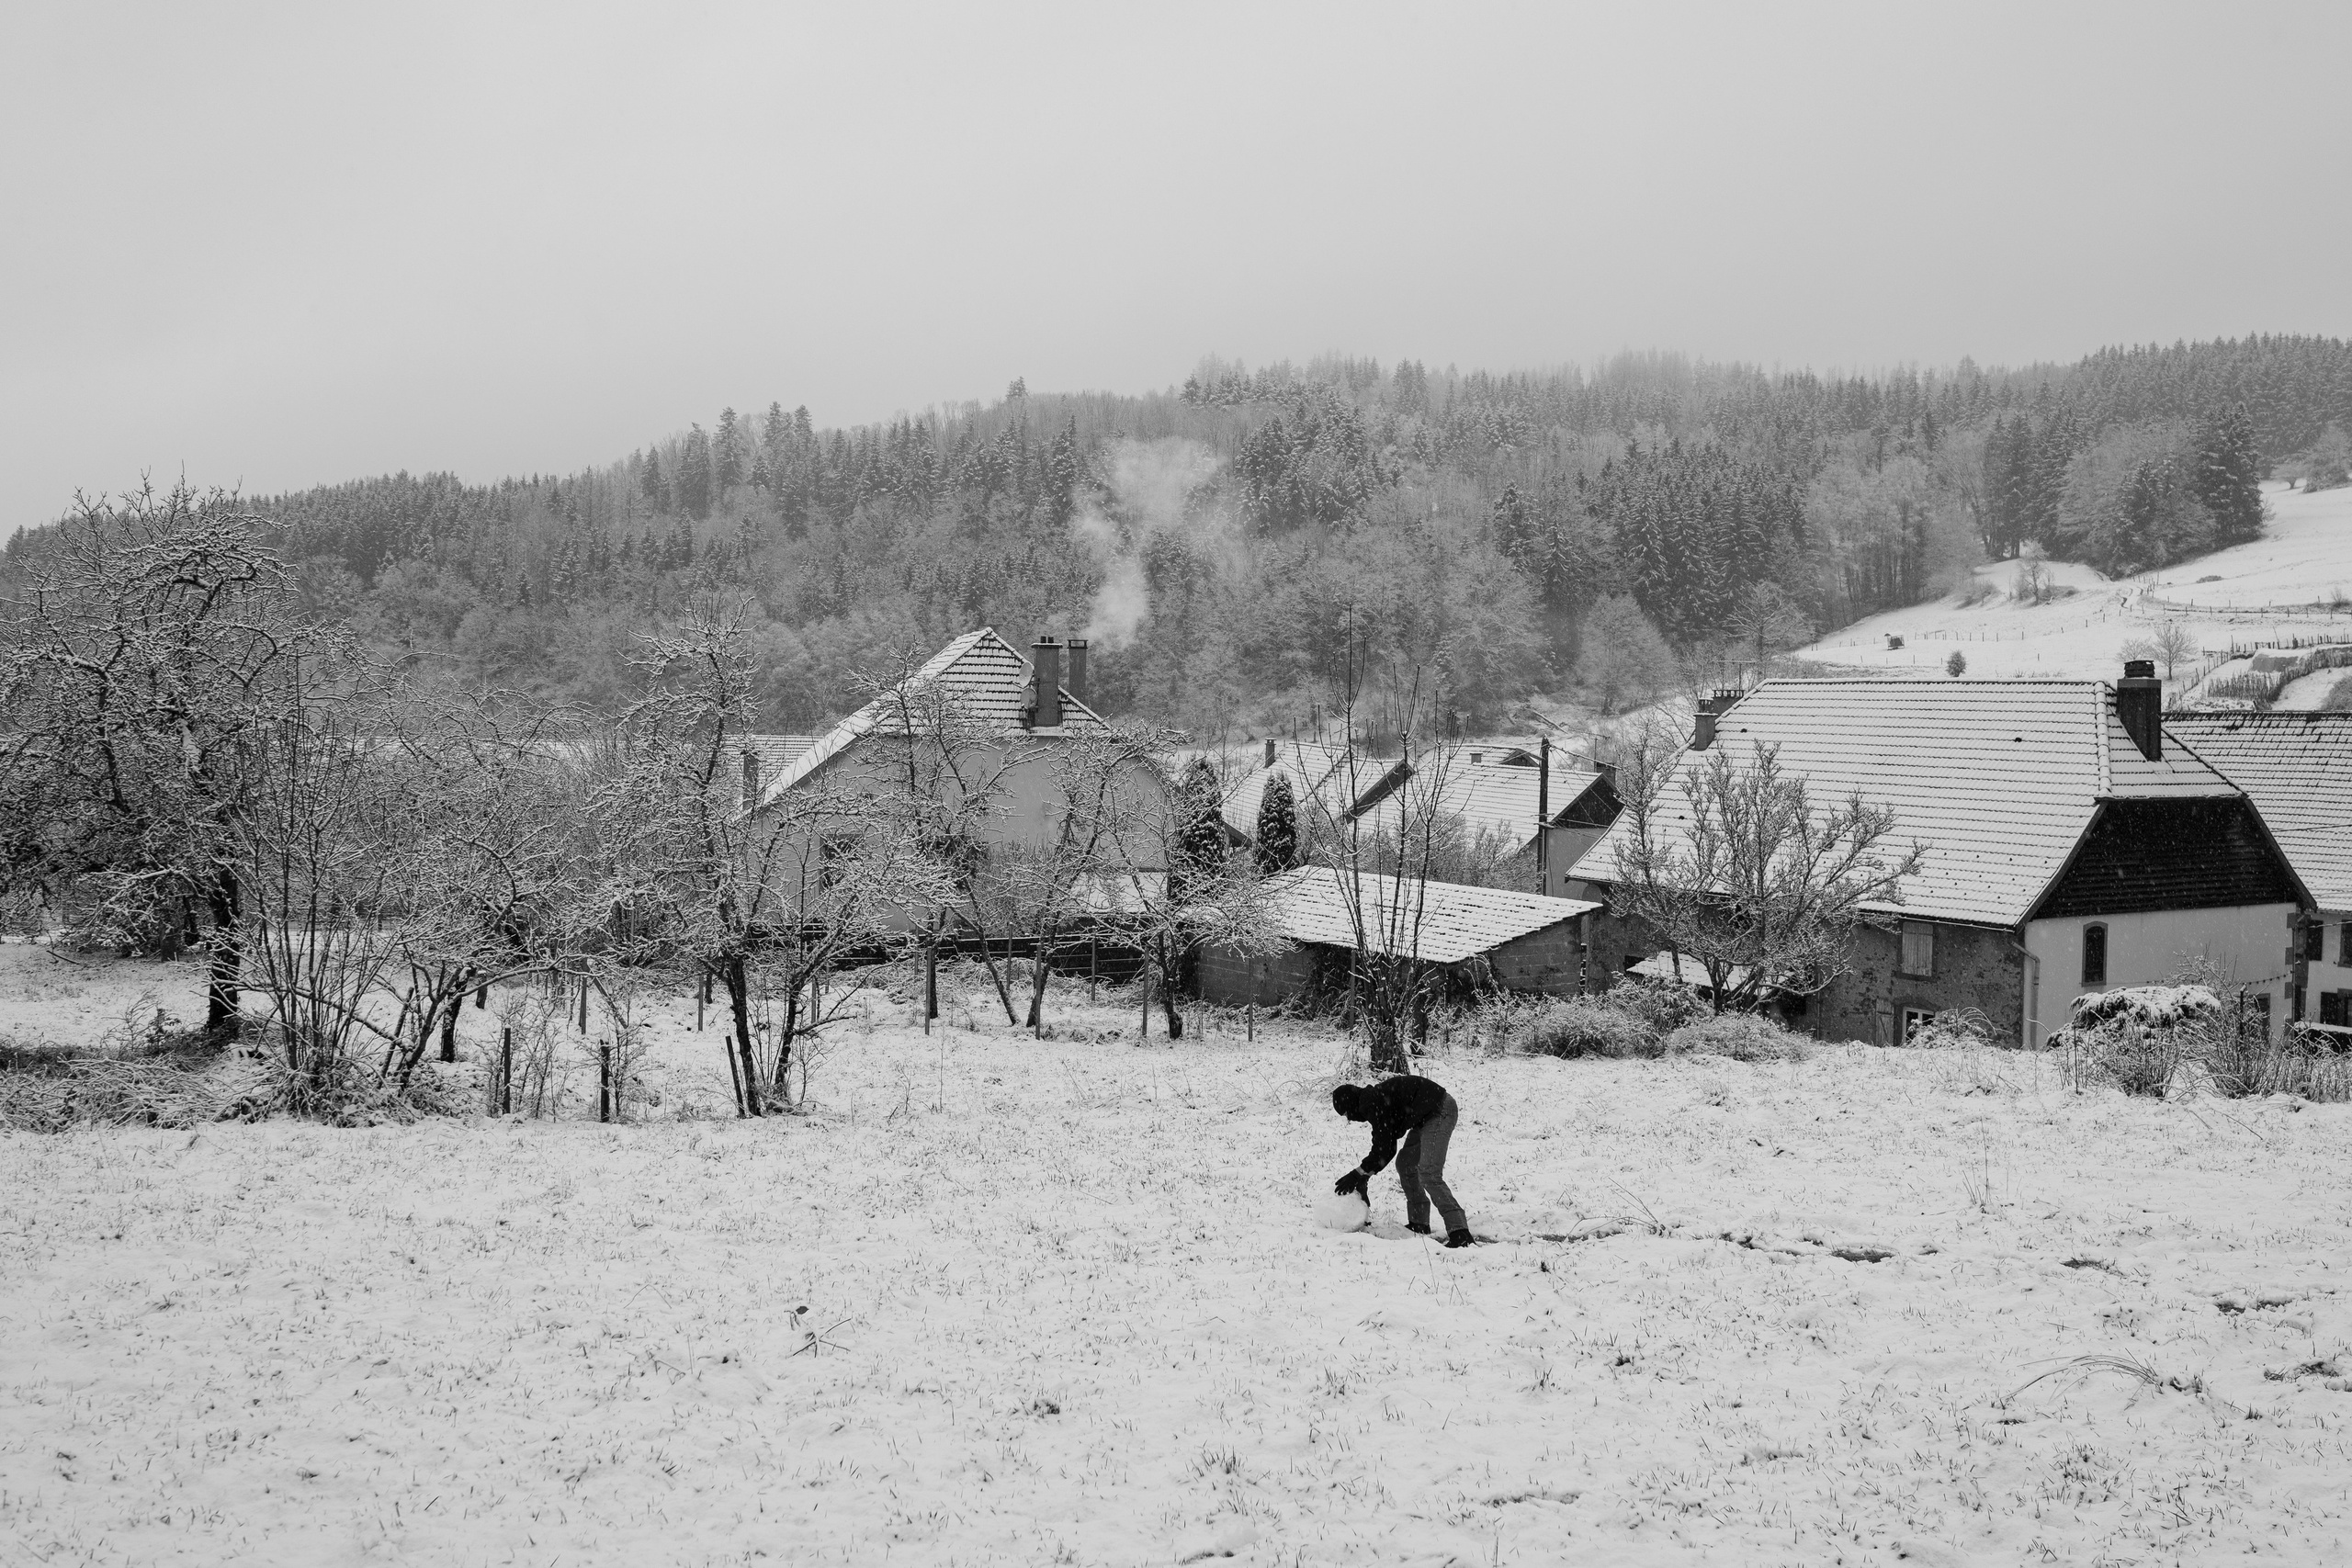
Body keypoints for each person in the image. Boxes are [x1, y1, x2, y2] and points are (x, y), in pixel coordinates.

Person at [1331, 1075, 1473, 1247]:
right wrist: (1364, 1175)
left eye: (1346, 1113)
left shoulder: (1373, 1103)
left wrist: (1358, 1174)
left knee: (1429, 1173)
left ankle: (1460, 1232)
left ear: (1350, 1104)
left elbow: (1383, 1149)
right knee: (1405, 1164)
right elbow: (1387, 1146)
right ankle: (1419, 1222)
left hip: (1439, 1110)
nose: (1349, 1119)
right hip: (1424, 1116)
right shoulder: (1373, 1100)